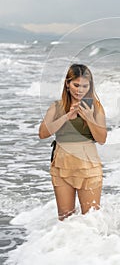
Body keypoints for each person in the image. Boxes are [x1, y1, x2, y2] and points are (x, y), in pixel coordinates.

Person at [39, 64, 107, 220]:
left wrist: (89, 118)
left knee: (92, 219)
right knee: (65, 220)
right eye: (76, 85)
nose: (80, 90)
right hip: (61, 166)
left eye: (84, 86)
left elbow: (101, 139)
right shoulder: (56, 107)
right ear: (67, 84)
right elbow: (43, 133)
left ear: (90, 87)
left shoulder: (96, 108)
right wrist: (66, 117)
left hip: (88, 166)